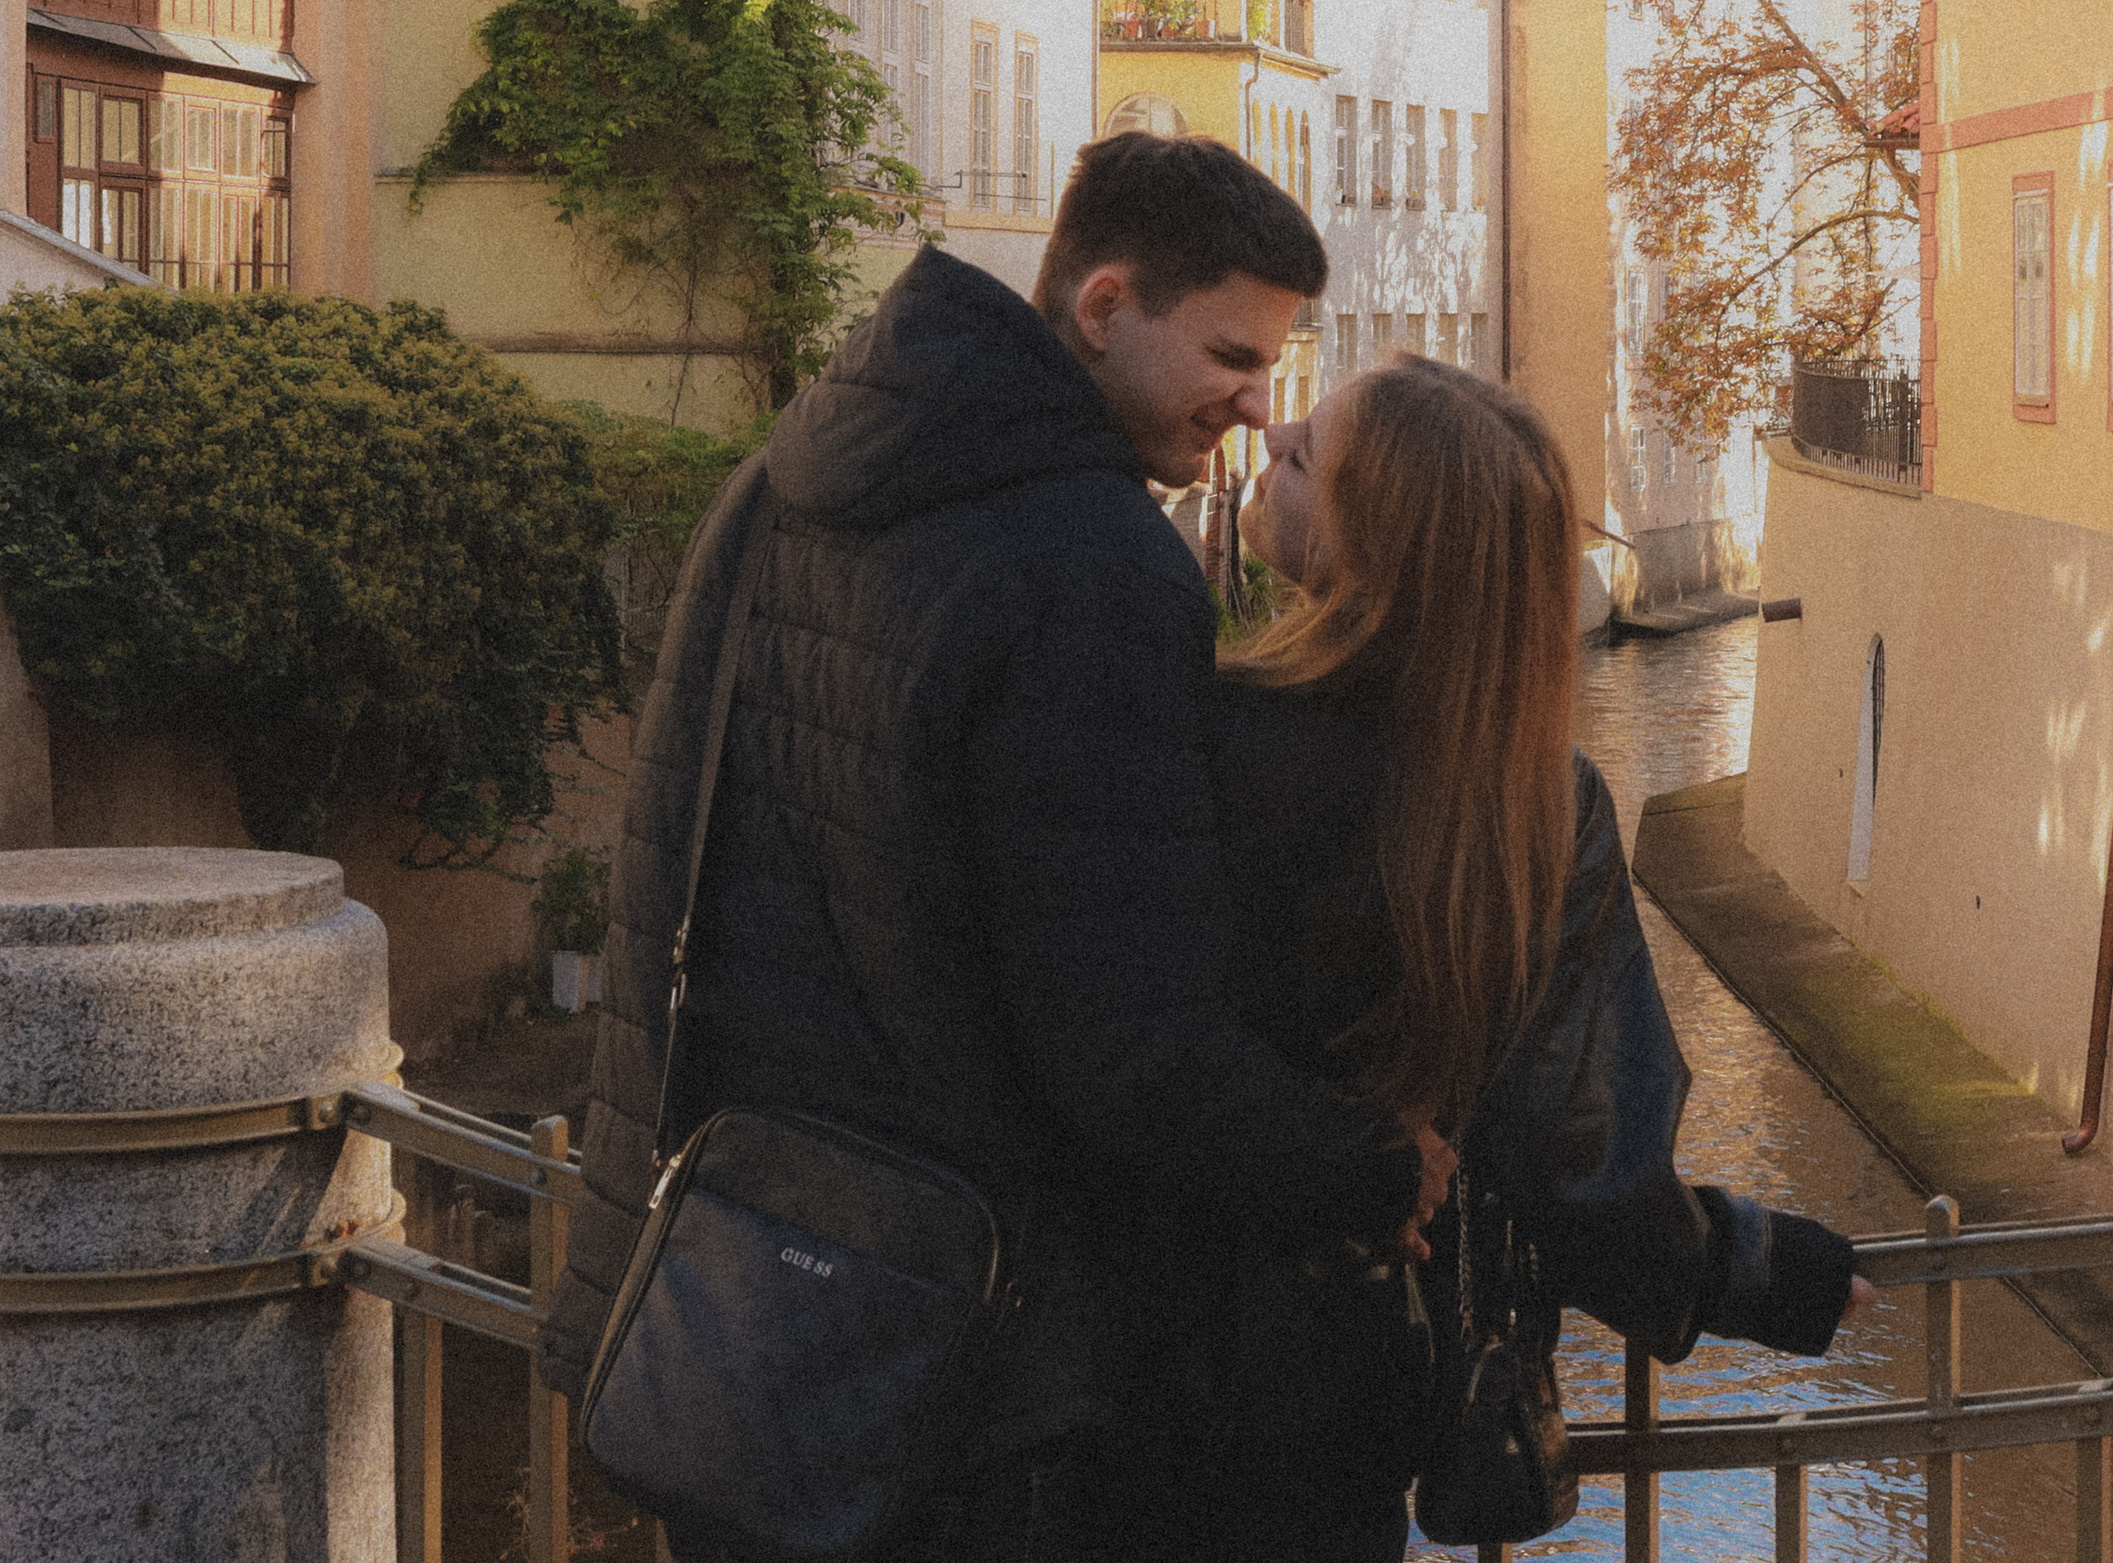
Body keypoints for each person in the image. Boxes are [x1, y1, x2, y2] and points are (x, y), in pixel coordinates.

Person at [537, 134, 1457, 1560]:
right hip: (952, 1369)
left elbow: (673, 889)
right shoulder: (1097, 565)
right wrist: (1375, 1168)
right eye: (1229, 354)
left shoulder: (778, 481)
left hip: (731, 1317)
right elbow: (1127, 1043)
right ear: (1103, 306)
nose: (1253, 402)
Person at [1083, 356, 1872, 1560]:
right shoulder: (1531, 809)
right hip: (1338, 1386)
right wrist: (1760, 1271)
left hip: (1112, 1350)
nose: (1271, 431)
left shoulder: (1184, 734)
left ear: (1376, 546)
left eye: (1311, 448)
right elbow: (1579, 1157)